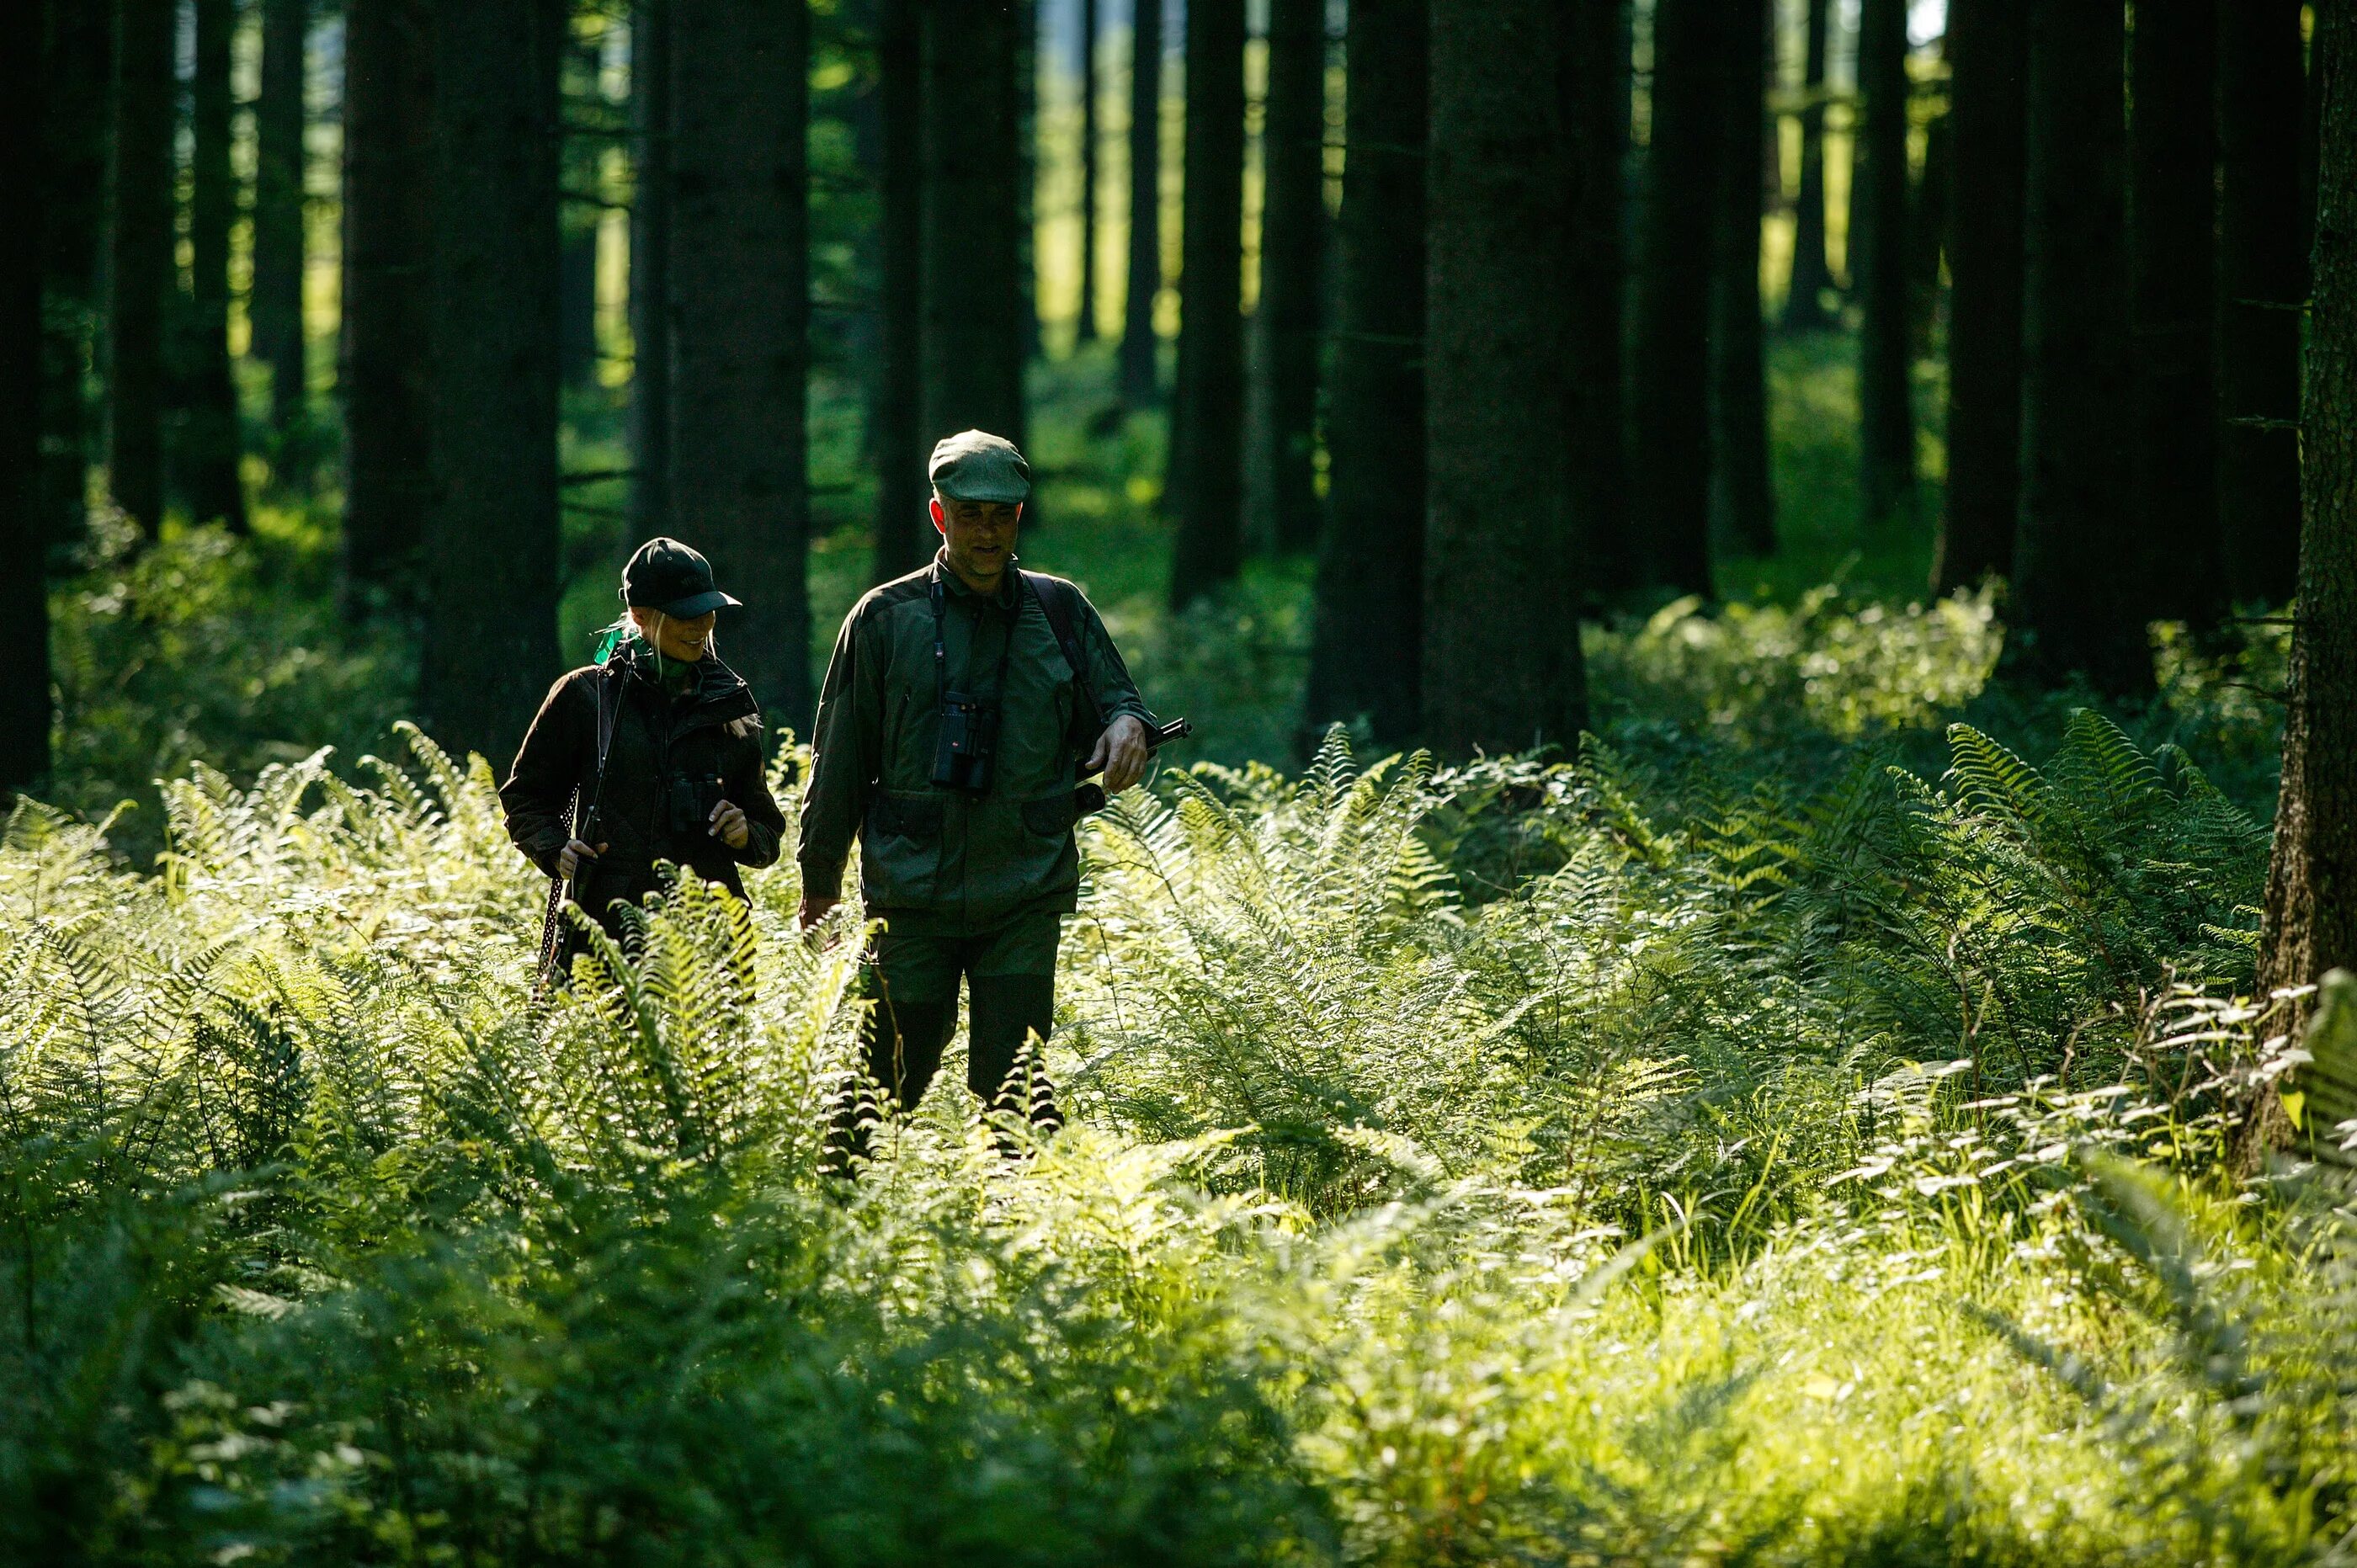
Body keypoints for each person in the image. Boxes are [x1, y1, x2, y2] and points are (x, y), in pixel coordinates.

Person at [801, 429, 1155, 1167]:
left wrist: (1128, 728)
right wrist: (819, 884)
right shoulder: (883, 619)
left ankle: (1020, 1244)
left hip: (1023, 890)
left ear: (1020, 517)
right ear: (939, 516)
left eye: (1002, 514)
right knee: (885, 1076)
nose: (986, 531)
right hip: (911, 896)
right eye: (970, 514)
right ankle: (824, 1228)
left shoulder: (1060, 611)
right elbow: (837, 763)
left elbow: (1121, 702)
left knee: (1018, 1084)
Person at [503, 537, 788, 975]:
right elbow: (526, 797)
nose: (701, 624)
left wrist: (744, 832)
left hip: (711, 943)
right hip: (605, 938)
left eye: (708, 610)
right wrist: (556, 849)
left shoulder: (729, 701)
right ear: (640, 615)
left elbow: (768, 830)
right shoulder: (585, 695)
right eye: (685, 614)